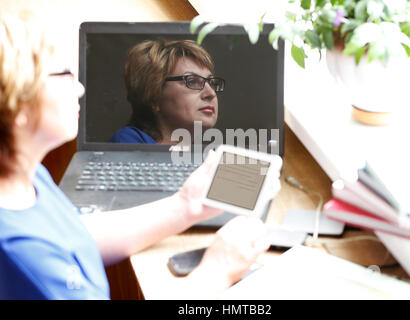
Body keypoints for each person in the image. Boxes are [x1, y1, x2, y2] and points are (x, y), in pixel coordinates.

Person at [0, 13, 269, 299]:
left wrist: (186, 205)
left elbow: (70, 232)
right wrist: (216, 272)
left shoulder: (20, 175)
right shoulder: (23, 252)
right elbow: (46, 247)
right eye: (63, 73)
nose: (79, 88)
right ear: (18, 106)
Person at [109, 39, 224, 144]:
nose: (211, 93)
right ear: (154, 95)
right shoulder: (127, 141)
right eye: (192, 81)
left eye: (212, 83)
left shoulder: (199, 155)